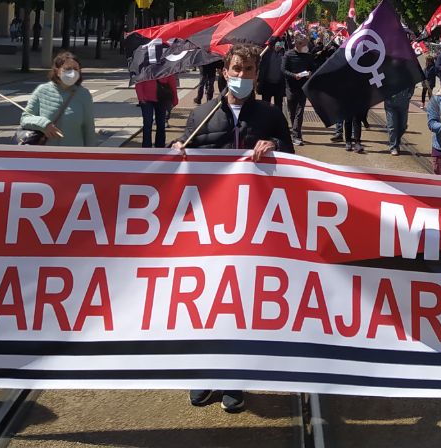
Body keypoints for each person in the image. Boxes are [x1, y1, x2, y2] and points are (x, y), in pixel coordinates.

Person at [172, 43, 294, 414]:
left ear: (258, 75)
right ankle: (204, 372)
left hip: (252, 228)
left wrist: (273, 146)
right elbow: (181, 169)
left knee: (241, 303)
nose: (242, 76)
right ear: (225, 71)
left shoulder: (271, 116)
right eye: (236, 69)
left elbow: (292, 163)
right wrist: (175, 150)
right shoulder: (202, 115)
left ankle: (235, 377)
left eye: (249, 70)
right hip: (208, 227)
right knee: (206, 301)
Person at [18, 51, 96, 146]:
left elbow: (89, 129)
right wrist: (43, 124)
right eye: (68, 69)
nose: (72, 73)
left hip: (73, 155)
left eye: (76, 69)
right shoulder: (42, 91)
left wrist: (90, 155)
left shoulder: (84, 94)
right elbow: (25, 118)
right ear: (57, 71)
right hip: (45, 155)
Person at [282, 31, 319, 146]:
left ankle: (296, 135)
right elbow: (283, 70)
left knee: (300, 112)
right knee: (292, 112)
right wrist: (294, 76)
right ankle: (295, 133)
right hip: (291, 88)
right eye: (303, 45)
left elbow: (314, 68)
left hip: (303, 88)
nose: (306, 47)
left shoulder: (308, 56)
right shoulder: (288, 55)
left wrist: (310, 73)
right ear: (297, 45)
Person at [134, 72, 177, 148]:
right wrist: (141, 97)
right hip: (146, 99)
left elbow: (171, 81)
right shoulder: (144, 66)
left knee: (161, 124)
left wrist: (174, 98)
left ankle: (160, 146)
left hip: (161, 98)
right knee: (147, 123)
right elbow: (138, 81)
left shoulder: (165, 65)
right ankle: (146, 146)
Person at [383, 80, 415, 156]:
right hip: (390, 104)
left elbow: (412, 83)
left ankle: (396, 140)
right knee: (392, 126)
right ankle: (393, 146)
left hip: (403, 103)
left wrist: (409, 94)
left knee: (403, 126)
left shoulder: (407, 73)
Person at [258, 36, 287, 107]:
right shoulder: (265, 53)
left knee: (278, 106)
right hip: (267, 84)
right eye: (278, 44)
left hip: (279, 85)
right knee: (265, 106)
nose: (280, 45)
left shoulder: (284, 53)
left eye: (281, 44)